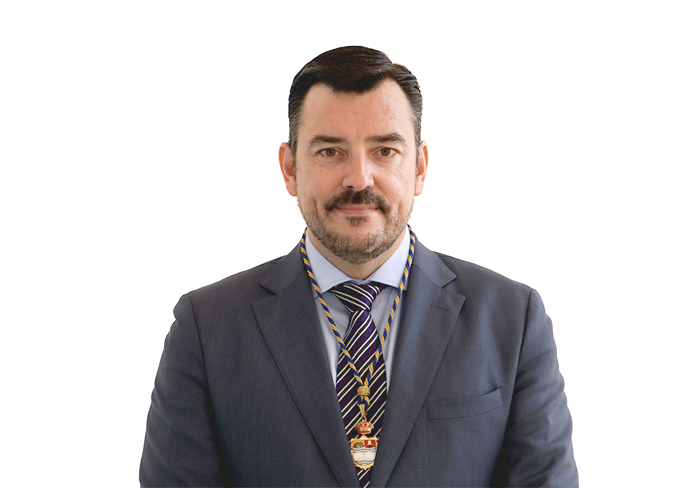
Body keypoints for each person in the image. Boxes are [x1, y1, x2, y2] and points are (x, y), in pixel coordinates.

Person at [140, 46, 578, 487]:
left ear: (420, 167)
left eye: (385, 150)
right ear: (290, 168)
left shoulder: (512, 321)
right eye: (330, 151)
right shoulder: (207, 329)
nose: (359, 179)